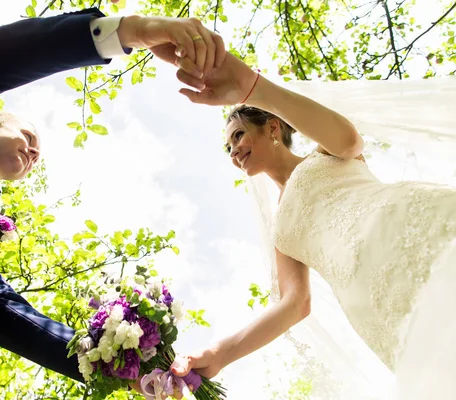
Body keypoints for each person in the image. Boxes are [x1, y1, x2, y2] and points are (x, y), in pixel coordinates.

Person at [0, 8, 225, 398]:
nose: (33, 152)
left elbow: (17, 321)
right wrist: (132, 31)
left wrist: (120, 365)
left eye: (37, 155)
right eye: (29, 137)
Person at [169, 52, 456, 399]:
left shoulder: (326, 152)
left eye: (239, 135)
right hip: (373, 302)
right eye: (228, 146)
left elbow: (350, 140)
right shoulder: (280, 231)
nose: (233, 150)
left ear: (272, 127)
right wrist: (220, 353)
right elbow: (294, 304)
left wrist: (253, 89)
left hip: (407, 227)